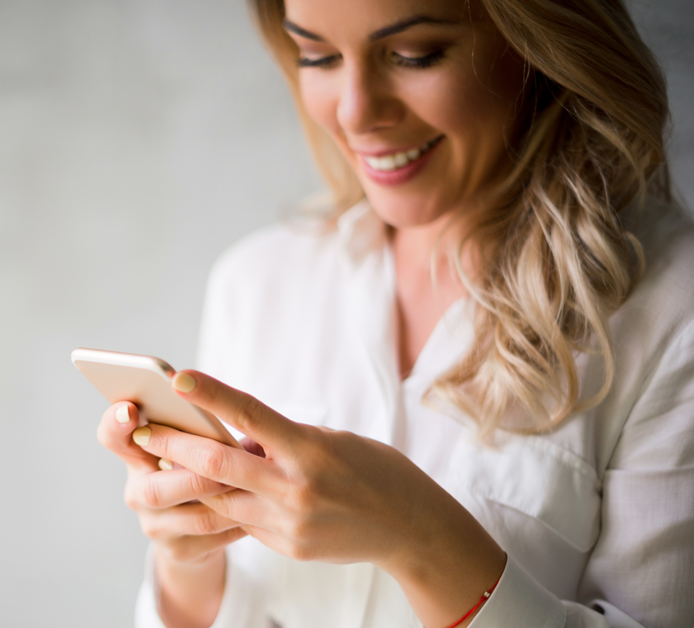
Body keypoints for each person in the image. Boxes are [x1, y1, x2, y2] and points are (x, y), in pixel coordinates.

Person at [94, 0, 694, 626]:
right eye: (318, 56)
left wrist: (418, 534)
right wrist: (186, 557)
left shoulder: (672, 307)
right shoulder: (256, 283)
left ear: (534, 42)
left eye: (414, 55)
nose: (355, 112)